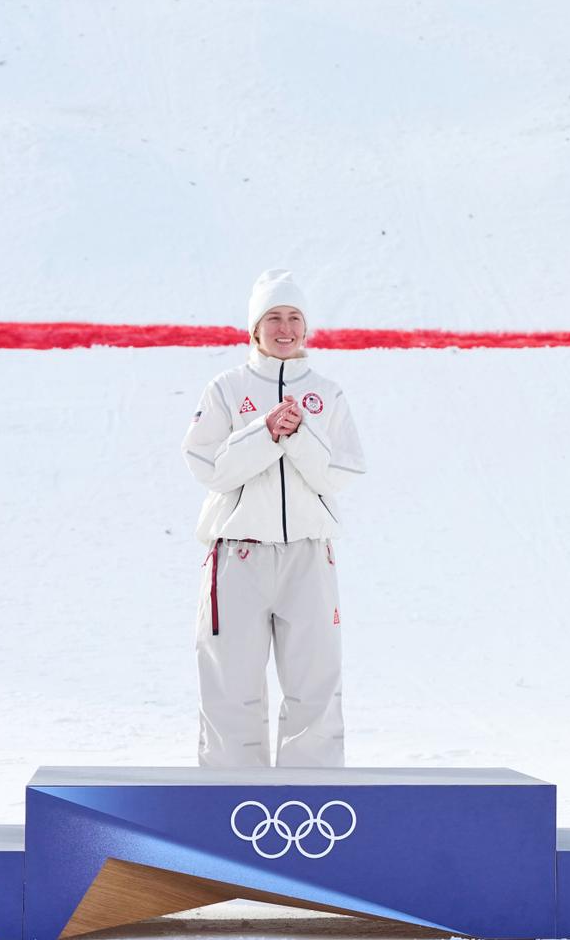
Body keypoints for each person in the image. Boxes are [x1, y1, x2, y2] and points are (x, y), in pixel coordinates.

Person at [182, 269, 365, 767]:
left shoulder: (327, 394)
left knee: (316, 687)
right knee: (230, 688)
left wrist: (299, 435)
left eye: (294, 318)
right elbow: (208, 467)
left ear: (306, 328)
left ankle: (311, 808)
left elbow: (341, 472)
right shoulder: (227, 388)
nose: (284, 328)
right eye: (273, 318)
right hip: (238, 556)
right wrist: (264, 431)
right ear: (254, 329)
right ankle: (228, 808)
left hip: (308, 555)